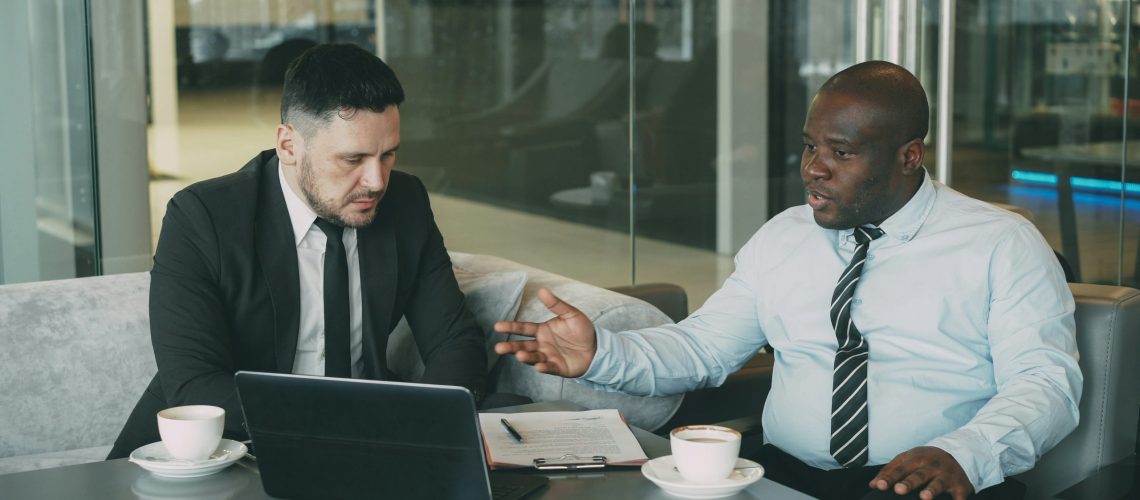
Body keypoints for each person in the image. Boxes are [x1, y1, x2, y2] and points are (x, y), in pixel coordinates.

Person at [494, 61, 1081, 500]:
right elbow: (702, 348)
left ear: (909, 156)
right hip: (783, 477)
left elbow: (1046, 383)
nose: (813, 168)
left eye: (841, 152)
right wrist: (602, 352)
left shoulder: (1000, 243)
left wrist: (965, 453)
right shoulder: (784, 237)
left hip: (924, 485)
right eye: (809, 146)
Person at [108, 43, 488, 458]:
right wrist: (345, 427)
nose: (377, 180)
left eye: (388, 154)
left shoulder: (405, 202)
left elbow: (455, 341)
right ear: (289, 145)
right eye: (353, 159)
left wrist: (419, 428)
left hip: (370, 445)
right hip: (227, 447)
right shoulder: (203, 218)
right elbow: (194, 383)